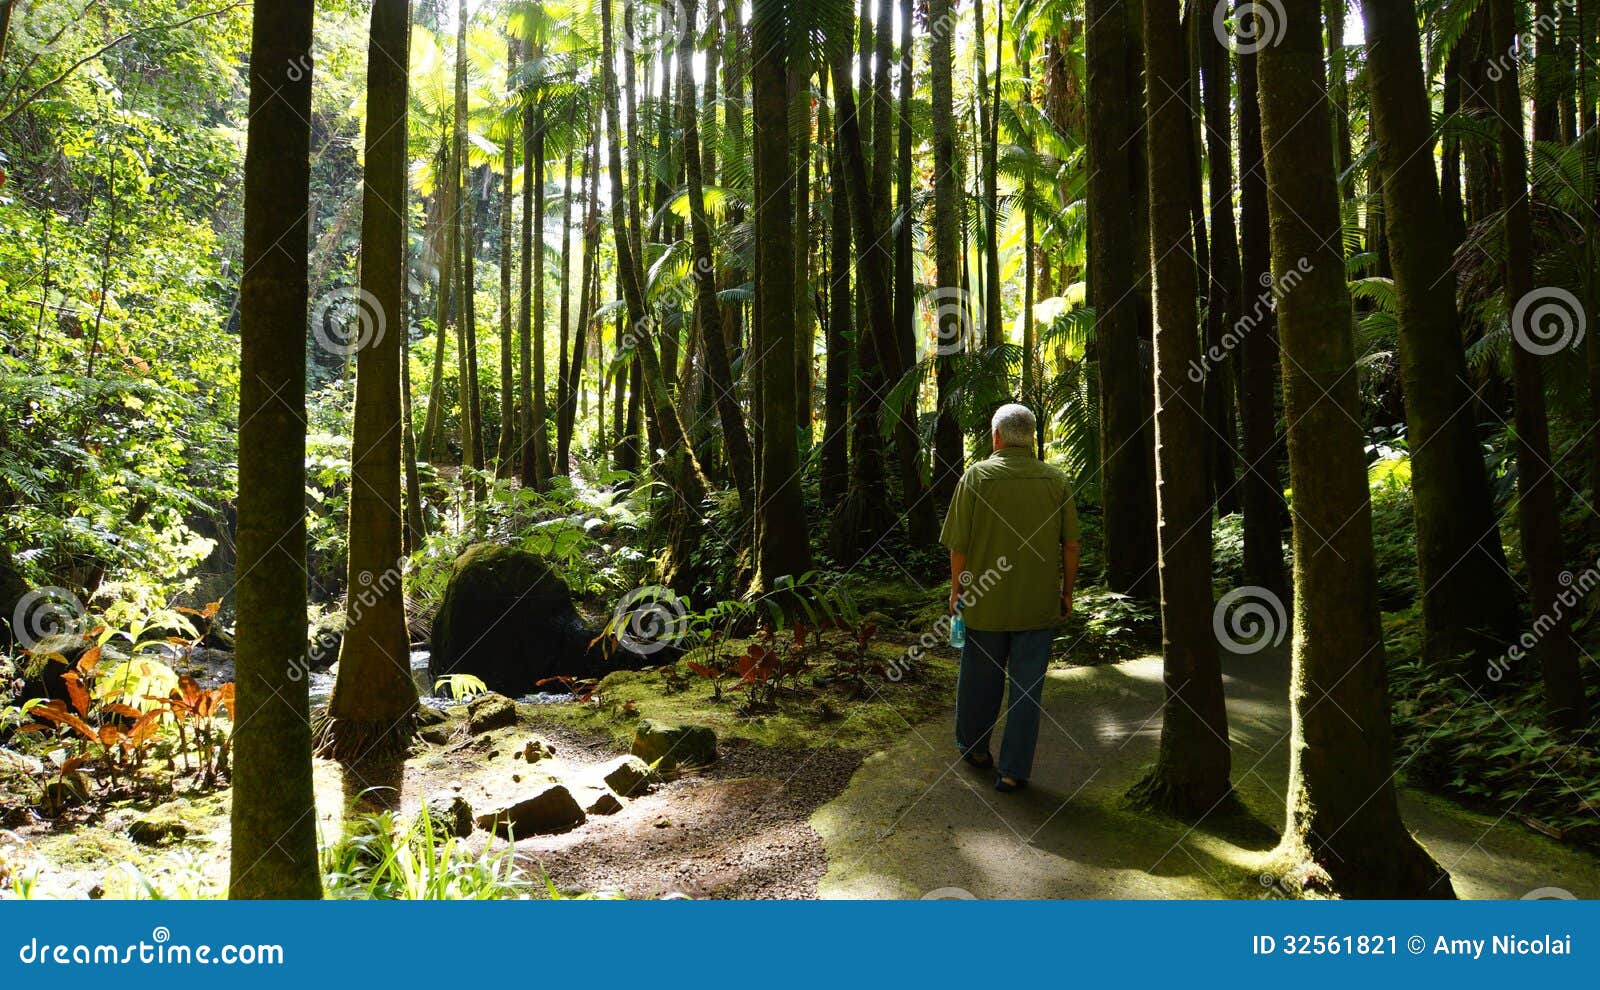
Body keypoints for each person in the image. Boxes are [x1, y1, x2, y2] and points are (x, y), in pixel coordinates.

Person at [939, 403, 1080, 792]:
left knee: (979, 681)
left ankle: (976, 749)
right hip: (1037, 606)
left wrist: (958, 591)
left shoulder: (976, 478)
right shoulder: (1055, 480)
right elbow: (1071, 545)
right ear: (1031, 437)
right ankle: (1014, 771)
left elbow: (959, 546)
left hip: (985, 604)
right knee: (1026, 690)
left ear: (996, 436)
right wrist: (1066, 593)